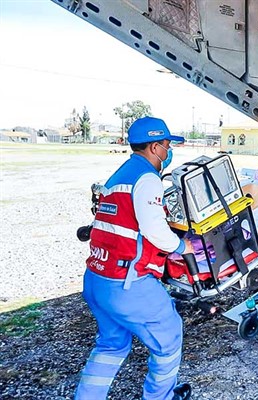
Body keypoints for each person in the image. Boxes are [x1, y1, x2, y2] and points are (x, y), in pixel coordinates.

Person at [75, 117, 194, 400]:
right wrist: (183, 246)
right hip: (127, 284)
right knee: (169, 339)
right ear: (154, 147)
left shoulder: (119, 176)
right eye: (166, 146)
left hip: (97, 279)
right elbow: (154, 230)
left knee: (111, 345)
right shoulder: (148, 179)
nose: (168, 151)